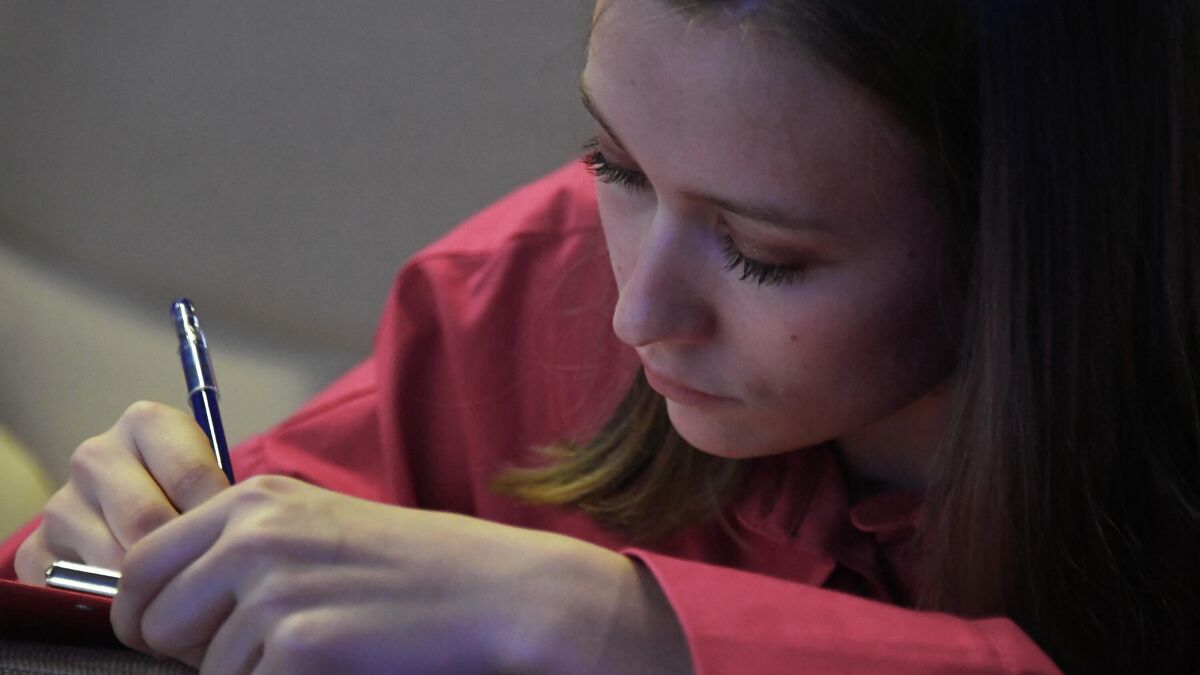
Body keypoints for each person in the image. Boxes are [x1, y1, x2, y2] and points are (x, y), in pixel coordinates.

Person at [3, 0, 1197, 671]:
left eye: (763, 254)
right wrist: (113, 547)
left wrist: (610, 622)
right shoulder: (532, 280)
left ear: (1030, 243)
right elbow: (177, 557)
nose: (633, 317)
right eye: (614, 163)